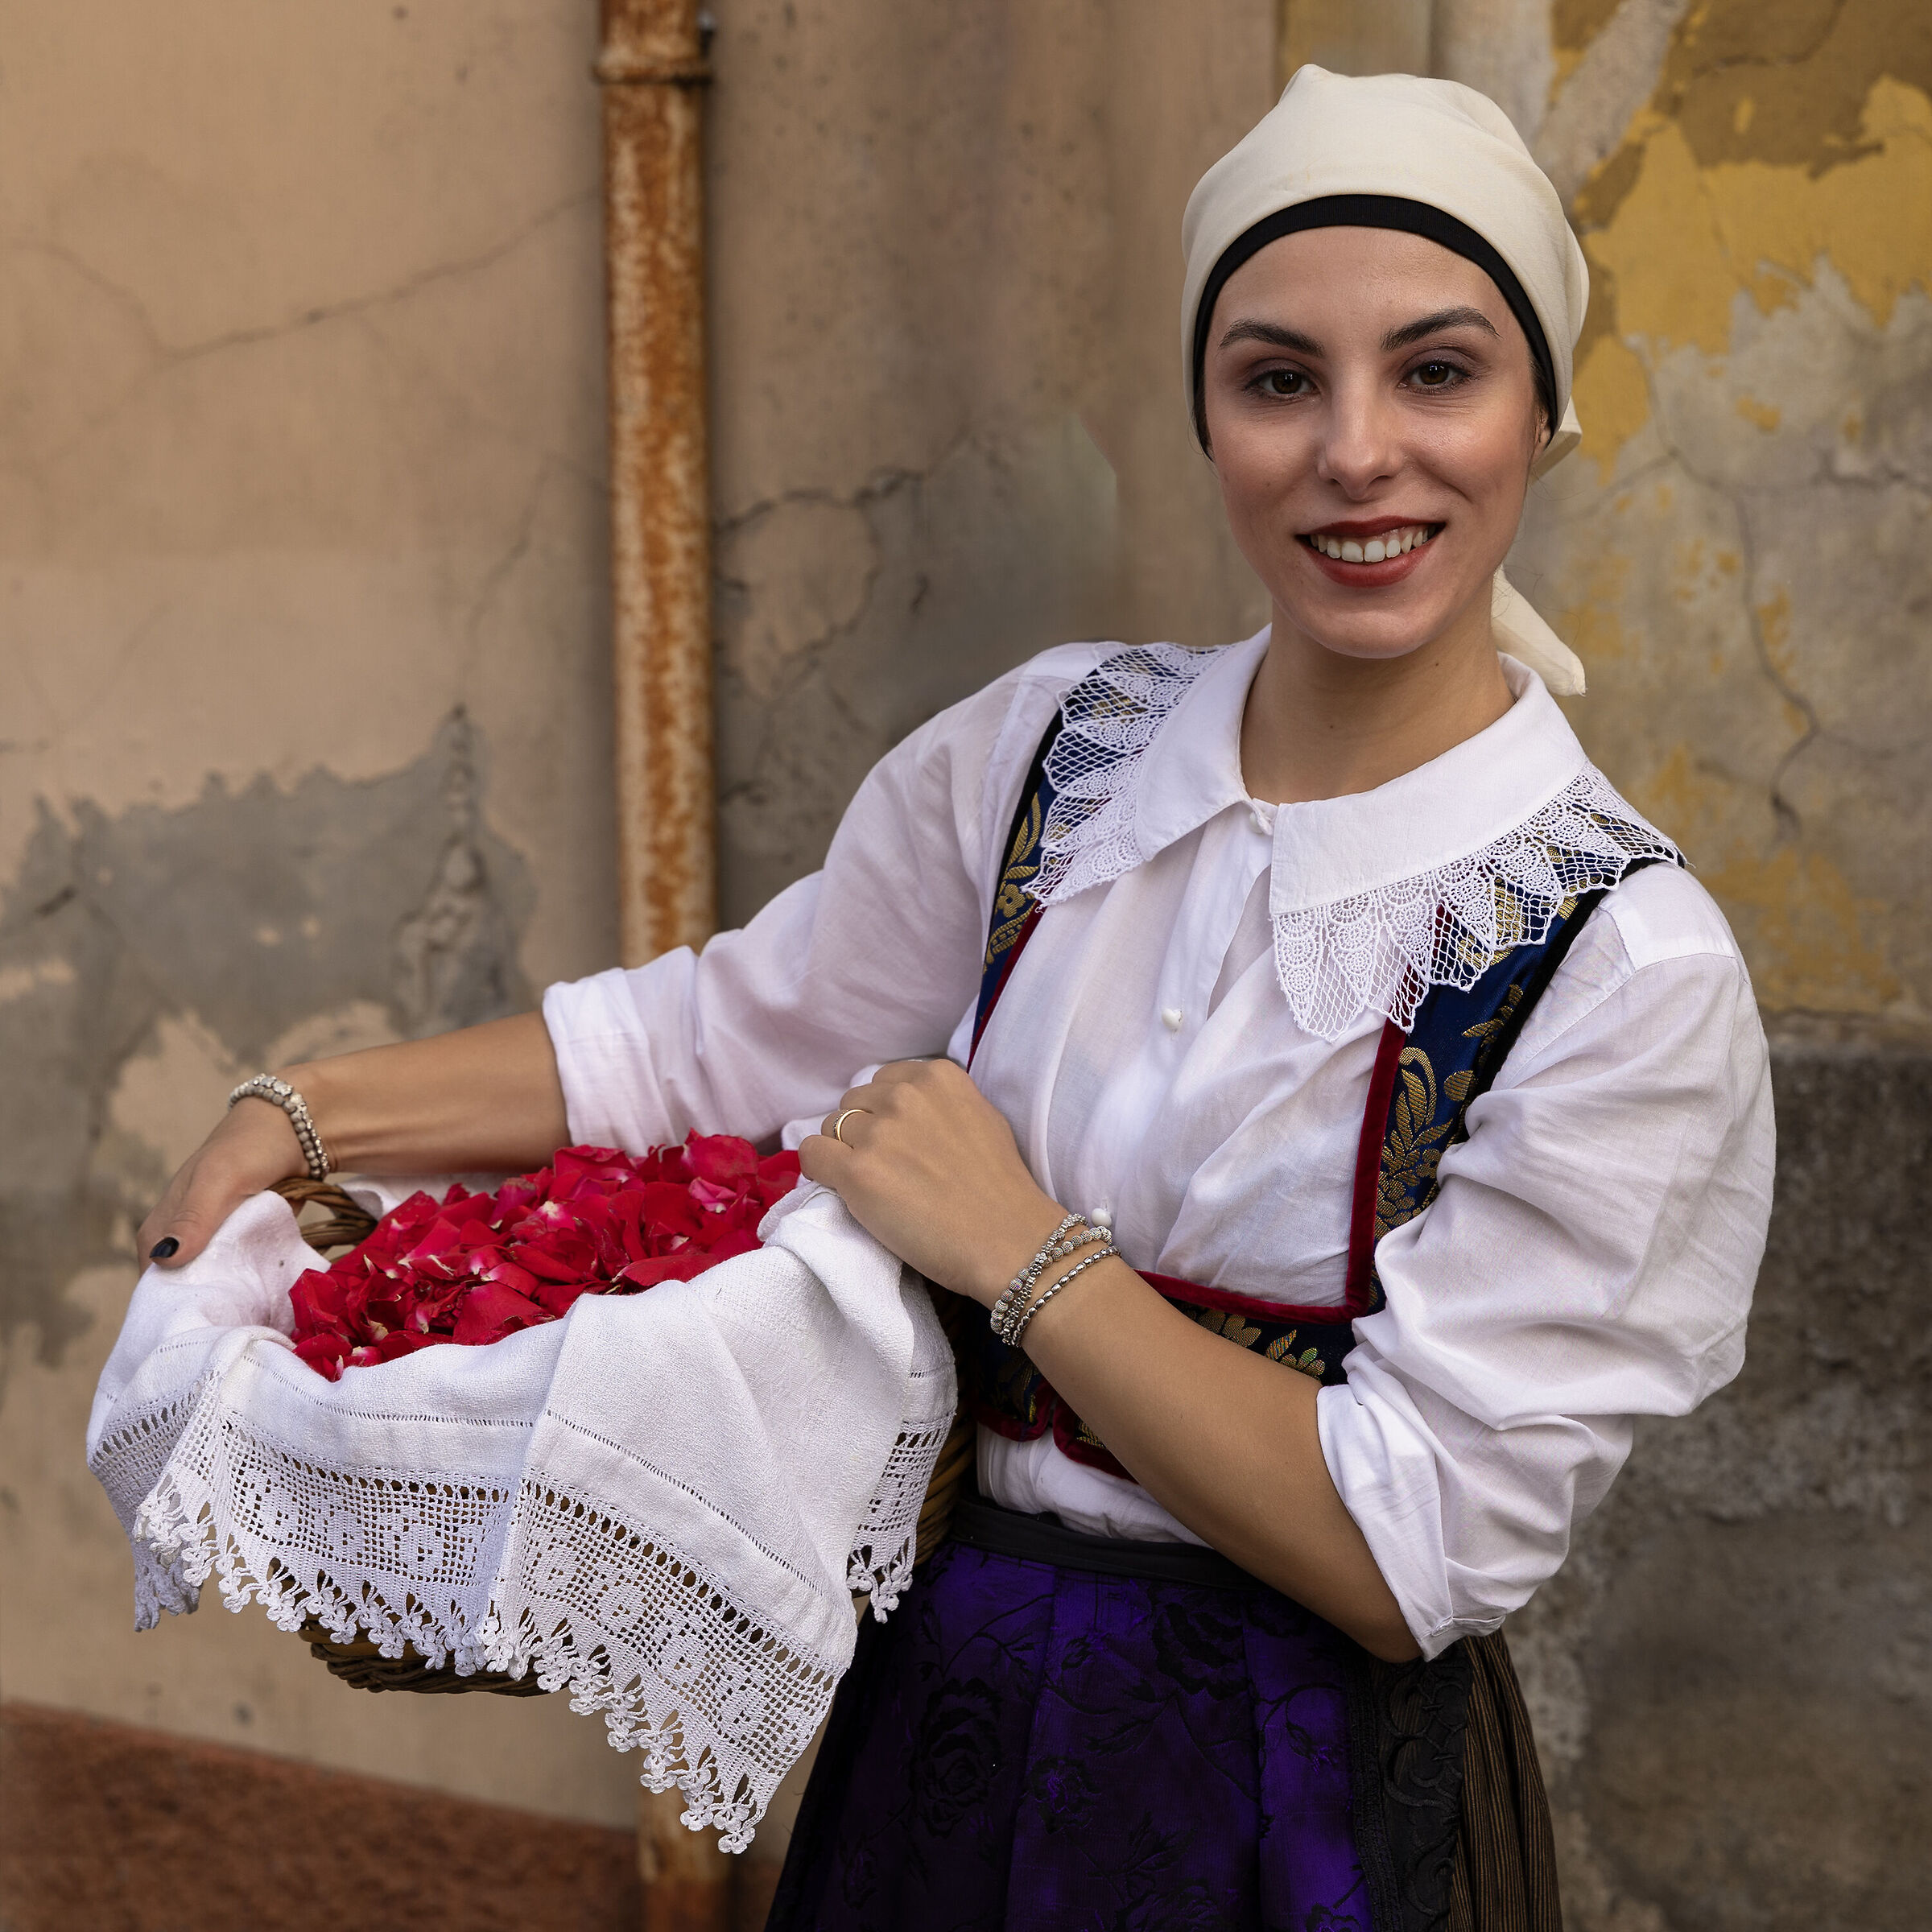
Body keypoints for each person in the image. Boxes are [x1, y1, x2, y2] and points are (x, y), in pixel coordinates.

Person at [141, 68, 1773, 1932]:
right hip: (958, 1709)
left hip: (1305, 1797)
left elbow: (1404, 1545)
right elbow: (711, 1040)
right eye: (1275, 380)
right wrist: (310, 1107)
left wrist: (1024, 1254)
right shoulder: (1054, 761)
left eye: (1437, 370)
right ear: (1208, 418)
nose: (1356, 453)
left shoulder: (1613, 963)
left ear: (1544, 414)